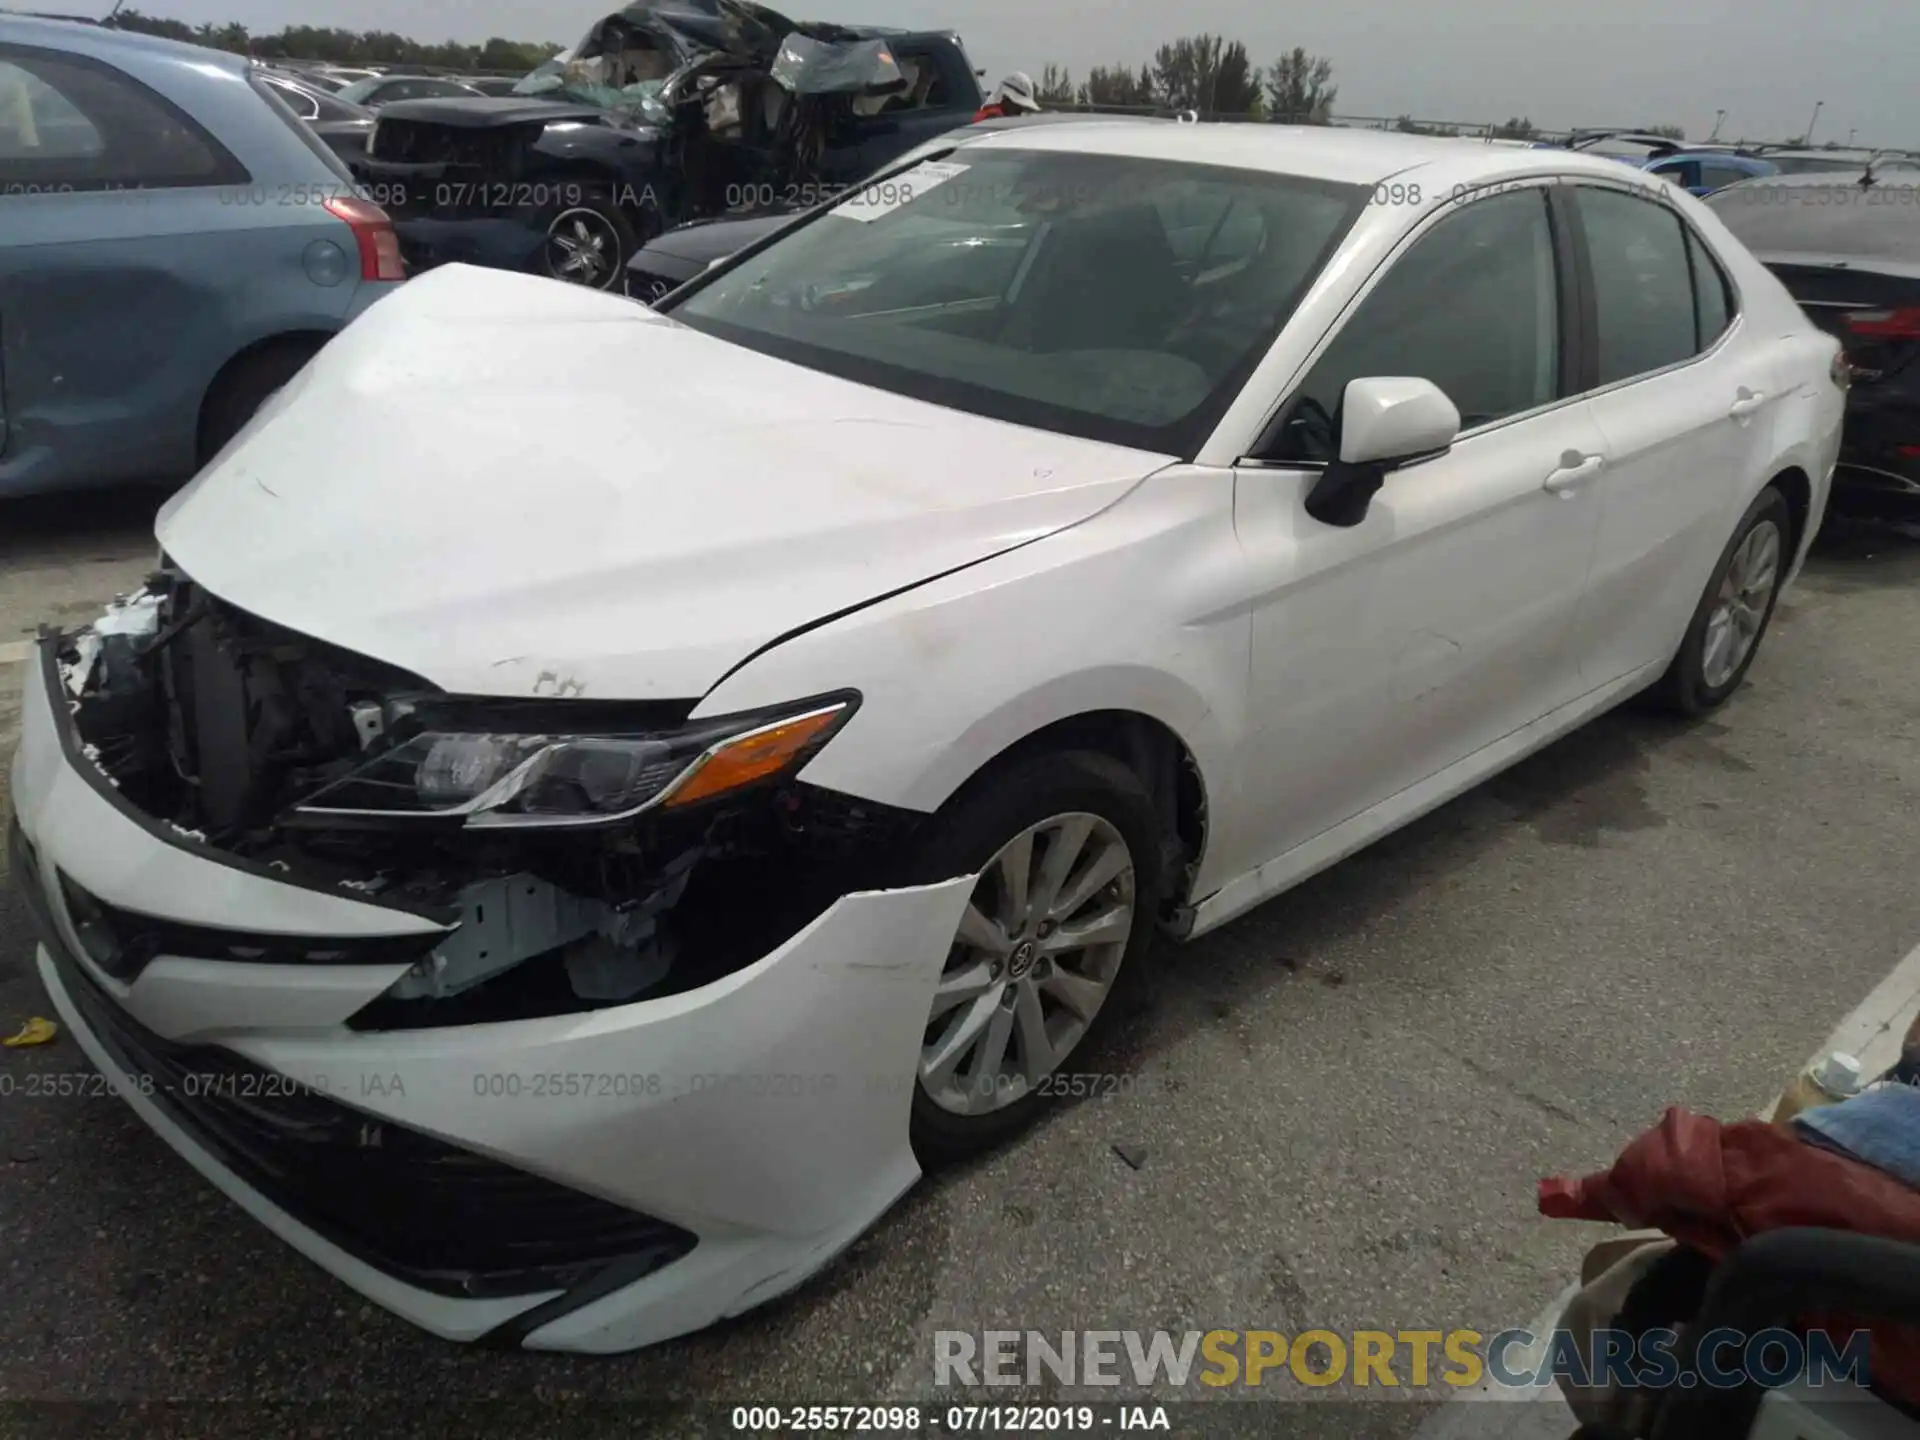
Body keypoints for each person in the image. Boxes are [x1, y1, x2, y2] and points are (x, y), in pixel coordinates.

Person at [973, 71, 1040, 123]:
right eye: (1017, 106)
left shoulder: (988, 113)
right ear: (1006, 98)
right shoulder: (994, 118)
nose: (1020, 112)